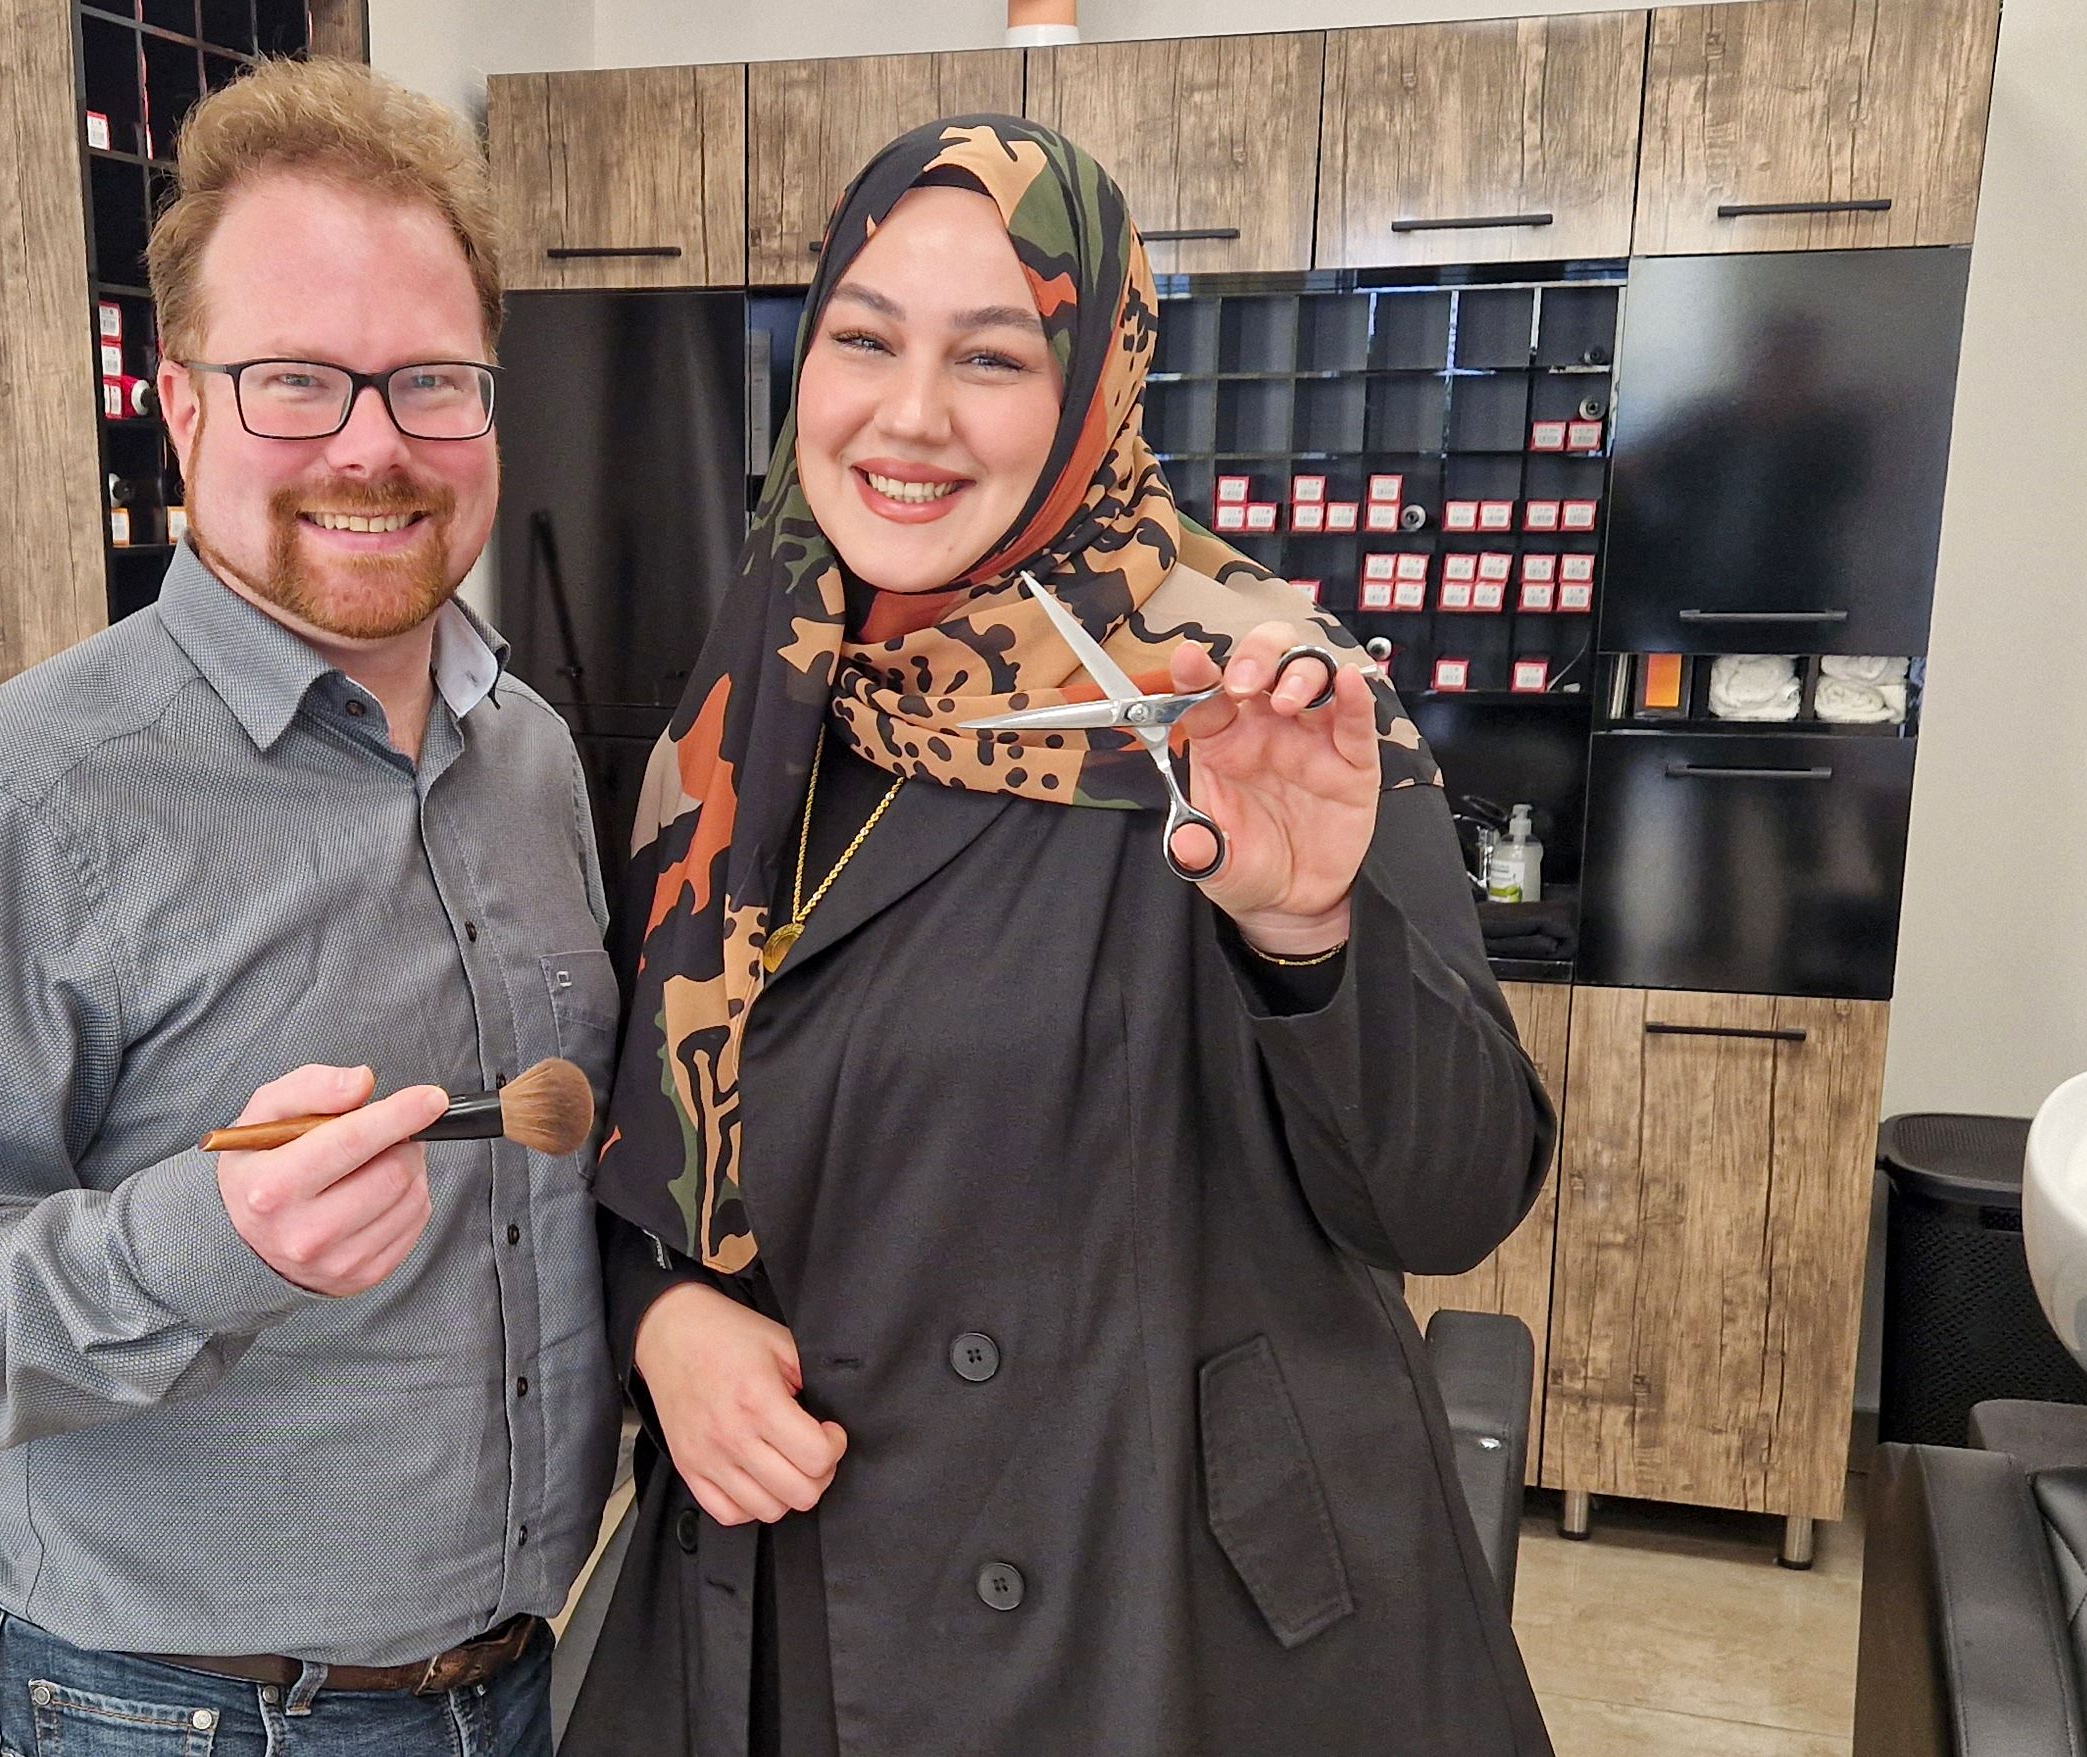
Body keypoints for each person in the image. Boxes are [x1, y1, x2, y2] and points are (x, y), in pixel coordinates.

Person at [561, 118, 1559, 1754]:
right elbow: (639, 1136)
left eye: (991, 356)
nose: (909, 415)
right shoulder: (741, 711)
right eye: (863, 339)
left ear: (1095, 385)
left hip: (1148, 1625)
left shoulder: (1241, 691)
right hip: (787, 1603)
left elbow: (1448, 1198)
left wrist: (1304, 928)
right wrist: (660, 1320)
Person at [0, 59, 613, 1757]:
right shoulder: (6, 812)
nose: (372, 444)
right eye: (293, 380)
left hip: (517, 1673)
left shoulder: (530, 751)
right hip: (156, 1714)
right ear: (180, 408)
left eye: (429, 380)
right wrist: (203, 1248)